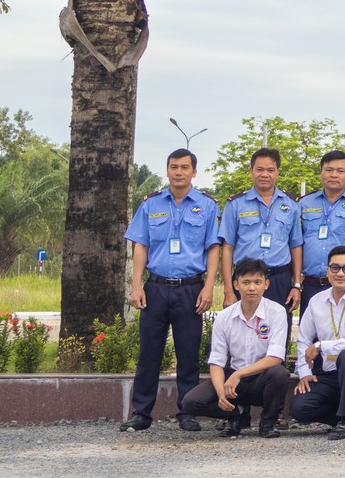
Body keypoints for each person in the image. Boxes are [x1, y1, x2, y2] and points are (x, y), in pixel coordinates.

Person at [121, 148, 220, 433]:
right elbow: (141, 246)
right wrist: (136, 286)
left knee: (188, 354)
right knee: (148, 353)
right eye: (174, 167)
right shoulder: (151, 205)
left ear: (194, 172)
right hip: (156, 287)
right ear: (167, 171)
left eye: (184, 167)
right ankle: (141, 413)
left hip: (190, 289)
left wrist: (209, 287)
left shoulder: (207, 206)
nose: (179, 172)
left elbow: (213, 248)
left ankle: (187, 412)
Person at [181, 258, 291, 438]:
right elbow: (217, 361)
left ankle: (268, 422)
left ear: (266, 284)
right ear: (236, 285)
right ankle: (237, 415)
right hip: (233, 380)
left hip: (260, 379)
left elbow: (275, 357)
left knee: (279, 373)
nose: (252, 288)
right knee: (191, 402)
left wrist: (239, 374)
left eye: (257, 282)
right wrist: (221, 393)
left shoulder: (276, 312)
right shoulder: (224, 317)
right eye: (246, 282)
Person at [289, 246, 345, 439]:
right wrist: (304, 373)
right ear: (327, 271)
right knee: (299, 408)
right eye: (335, 268)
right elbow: (303, 339)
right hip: (328, 372)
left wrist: (321, 346)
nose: (340, 273)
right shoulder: (317, 301)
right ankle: (344, 416)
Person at [219, 148, 302, 321]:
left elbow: (295, 245)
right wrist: (228, 289)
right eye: (259, 169)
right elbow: (227, 248)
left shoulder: (291, 204)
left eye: (270, 170)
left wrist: (296, 285)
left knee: (279, 331)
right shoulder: (235, 205)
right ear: (251, 171)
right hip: (245, 279)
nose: (265, 174)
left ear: (278, 172)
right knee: (242, 330)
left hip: (279, 279)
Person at [297, 150, 345, 311]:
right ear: (321, 172)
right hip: (311, 283)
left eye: (340, 171)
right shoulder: (304, 203)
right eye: (329, 170)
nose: (334, 175)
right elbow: (296, 243)